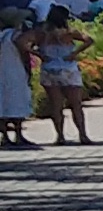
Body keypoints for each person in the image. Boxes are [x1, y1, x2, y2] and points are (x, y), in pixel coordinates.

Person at [33, 11, 90, 143]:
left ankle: (60, 136)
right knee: (76, 104)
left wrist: (38, 54)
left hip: (49, 69)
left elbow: (24, 42)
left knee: (56, 105)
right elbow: (89, 40)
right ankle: (82, 135)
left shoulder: (42, 34)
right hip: (68, 68)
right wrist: (74, 53)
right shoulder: (69, 33)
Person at [0, 8, 32, 147]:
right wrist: (28, 67)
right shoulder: (16, 35)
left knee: (3, 103)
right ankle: (18, 135)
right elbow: (24, 53)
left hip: (2, 71)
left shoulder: (1, 36)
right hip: (15, 69)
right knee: (18, 100)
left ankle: (4, 136)